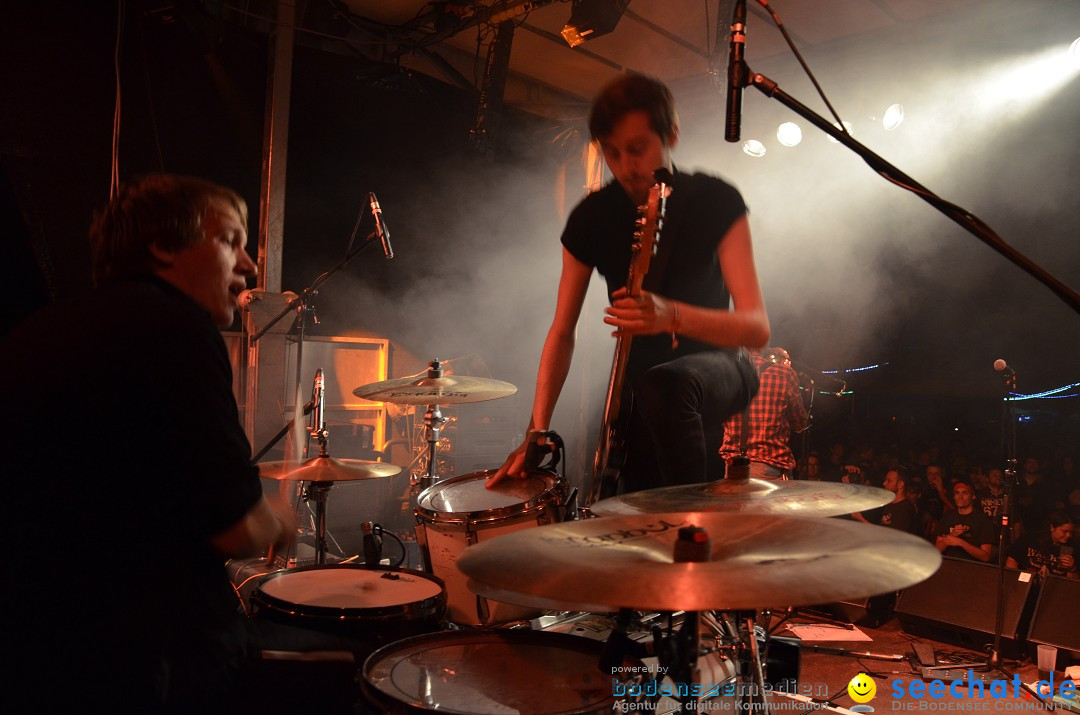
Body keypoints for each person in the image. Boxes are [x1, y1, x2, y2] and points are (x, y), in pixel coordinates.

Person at [3, 175, 296, 710]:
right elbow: (239, 531)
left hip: (34, 654)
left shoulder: (39, 332)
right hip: (139, 664)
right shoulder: (173, 326)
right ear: (163, 246)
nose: (250, 265)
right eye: (231, 240)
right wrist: (276, 518)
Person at [489, 74, 768, 494]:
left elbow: (756, 328)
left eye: (637, 149)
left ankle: (692, 526)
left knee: (666, 387)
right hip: (641, 386)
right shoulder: (591, 218)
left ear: (670, 135)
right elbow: (563, 331)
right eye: (611, 154)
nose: (626, 167)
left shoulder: (716, 200)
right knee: (624, 485)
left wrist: (670, 315)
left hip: (723, 365)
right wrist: (536, 429)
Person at [719, 346, 809, 480]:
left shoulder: (725, 373)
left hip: (733, 468)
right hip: (770, 468)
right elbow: (799, 423)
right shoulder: (784, 373)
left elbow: (716, 416)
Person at [934, 479, 995, 562]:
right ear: (954, 497)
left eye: (965, 493)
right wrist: (952, 535)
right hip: (949, 565)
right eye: (957, 493)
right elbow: (937, 550)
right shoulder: (948, 516)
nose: (960, 496)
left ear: (973, 496)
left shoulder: (983, 520)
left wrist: (960, 543)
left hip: (972, 568)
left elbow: (985, 556)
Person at [1006, 510, 1078, 580]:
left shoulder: (1072, 548)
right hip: (1026, 584)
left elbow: (1072, 584)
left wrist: (1072, 568)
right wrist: (1015, 581)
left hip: (1053, 588)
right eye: (1064, 531)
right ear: (1052, 528)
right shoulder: (1030, 538)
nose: (1068, 535)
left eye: (1071, 532)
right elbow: (1012, 560)